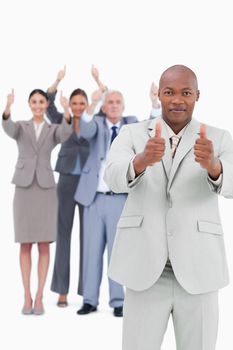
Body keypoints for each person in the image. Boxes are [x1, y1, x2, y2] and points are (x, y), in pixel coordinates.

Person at [104, 65, 233, 349]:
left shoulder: (218, 137)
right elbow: (112, 176)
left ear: (197, 96)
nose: (177, 99)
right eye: (169, 92)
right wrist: (139, 161)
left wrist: (214, 167)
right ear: (159, 95)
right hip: (144, 270)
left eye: (185, 93)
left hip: (200, 270)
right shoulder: (131, 133)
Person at [75, 89, 161, 317]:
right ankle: (89, 300)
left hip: (120, 199)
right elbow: (84, 129)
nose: (113, 105)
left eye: (117, 102)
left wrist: (154, 102)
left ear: (123, 106)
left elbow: (151, 128)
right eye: (109, 102)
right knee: (91, 251)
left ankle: (117, 300)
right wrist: (91, 104)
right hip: (94, 198)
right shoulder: (96, 123)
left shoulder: (131, 125)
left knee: (118, 252)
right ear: (104, 107)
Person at [2, 88, 72, 315]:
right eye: (34, 101)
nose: (39, 105)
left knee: (43, 244)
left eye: (42, 101)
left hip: (45, 190)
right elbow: (7, 127)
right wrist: (7, 109)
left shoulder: (53, 129)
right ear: (29, 104)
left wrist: (67, 111)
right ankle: (26, 296)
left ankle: (40, 296)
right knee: (24, 243)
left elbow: (66, 134)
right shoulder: (21, 127)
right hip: (23, 188)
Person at [46, 66, 105, 307]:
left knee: (88, 237)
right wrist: (57, 80)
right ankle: (62, 290)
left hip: (89, 183)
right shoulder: (62, 119)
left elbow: (107, 100)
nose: (79, 107)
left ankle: (86, 290)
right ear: (69, 104)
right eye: (75, 103)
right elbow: (48, 104)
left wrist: (98, 80)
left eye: (82, 103)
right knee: (63, 234)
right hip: (67, 181)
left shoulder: (95, 121)